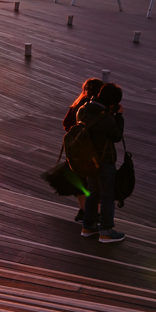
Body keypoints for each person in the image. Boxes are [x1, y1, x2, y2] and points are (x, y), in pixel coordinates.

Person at [77, 82, 126, 244]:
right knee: (107, 196)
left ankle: (88, 226)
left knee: (92, 192)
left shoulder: (83, 110)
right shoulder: (105, 117)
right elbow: (117, 136)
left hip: (88, 158)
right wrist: (118, 116)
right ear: (112, 103)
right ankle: (105, 232)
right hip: (104, 160)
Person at [63, 78, 103, 223]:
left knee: (81, 181)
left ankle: (82, 210)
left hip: (77, 149)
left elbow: (66, 124)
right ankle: (96, 214)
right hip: (94, 150)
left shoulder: (77, 105)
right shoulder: (101, 108)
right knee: (97, 180)